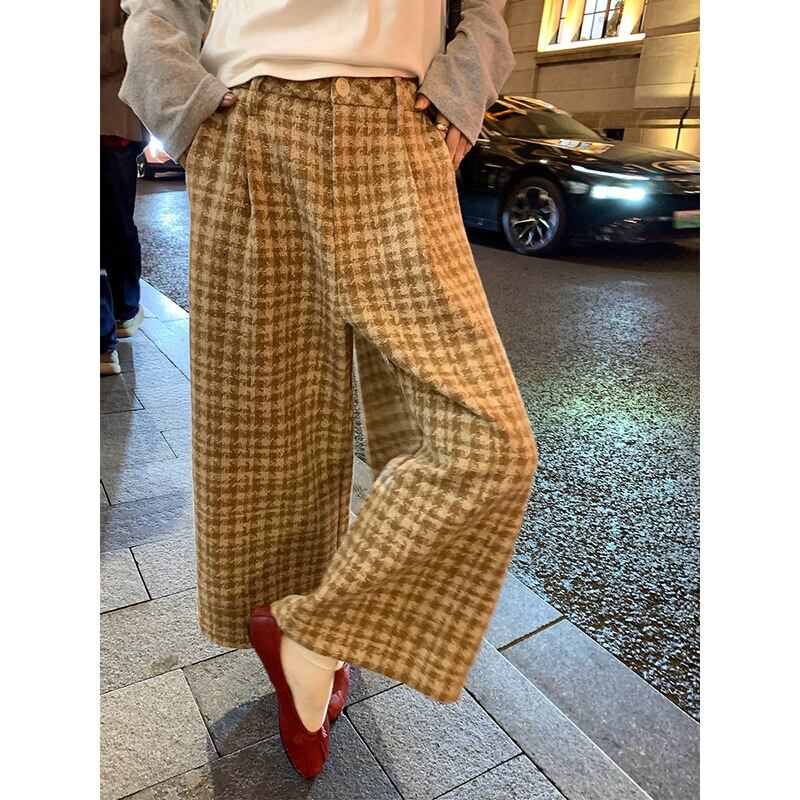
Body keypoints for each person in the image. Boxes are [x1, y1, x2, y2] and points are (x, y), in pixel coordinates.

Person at [119, 0, 538, 777]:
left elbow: (487, 6)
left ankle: (310, 634)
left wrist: (465, 84)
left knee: (489, 441)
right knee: (276, 439)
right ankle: (307, 662)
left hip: (397, 121)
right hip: (247, 121)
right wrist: (182, 100)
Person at [100, 0, 146, 375]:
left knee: (117, 227)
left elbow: (130, 46)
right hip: (113, 125)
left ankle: (122, 314)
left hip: (115, 128)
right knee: (115, 227)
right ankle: (113, 324)